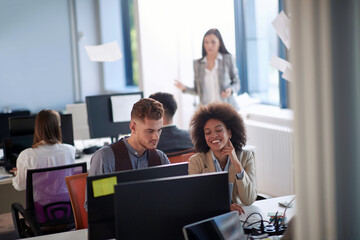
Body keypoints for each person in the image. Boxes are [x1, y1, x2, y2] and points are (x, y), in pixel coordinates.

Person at [188, 102, 257, 211]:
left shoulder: (246, 157)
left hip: (240, 217)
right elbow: (196, 201)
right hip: (211, 217)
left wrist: (237, 165)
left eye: (219, 130)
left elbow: (248, 200)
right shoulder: (196, 161)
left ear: (229, 133)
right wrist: (223, 207)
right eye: (207, 132)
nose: (213, 136)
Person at [89, 98, 170, 176]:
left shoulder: (160, 159)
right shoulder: (105, 158)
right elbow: (101, 191)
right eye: (150, 131)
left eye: (159, 130)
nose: (156, 137)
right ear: (133, 127)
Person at [175, 28, 240, 109]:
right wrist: (184, 88)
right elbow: (197, 91)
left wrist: (231, 90)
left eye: (213, 42)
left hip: (226, 109)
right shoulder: (198, 64)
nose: (209, 45)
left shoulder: (228, 59)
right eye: (206, 42)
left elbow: (237, 83)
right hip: (207, 111)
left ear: (219, 43)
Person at [12, 109, 75, 191]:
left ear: (37, 127)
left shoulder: (27, 155)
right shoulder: (70, 150)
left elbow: (20, 186)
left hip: (40, 203)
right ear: (58, 127)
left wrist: (18, 174)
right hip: (67, 202)